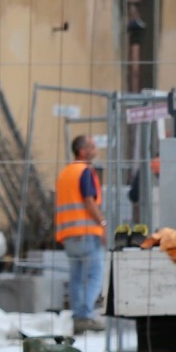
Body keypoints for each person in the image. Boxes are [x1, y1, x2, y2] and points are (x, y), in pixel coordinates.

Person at [56, 135, 107, 333]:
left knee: (76, 277)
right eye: (92, 146)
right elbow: (89, 201)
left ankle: (78, 316)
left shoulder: (65, 173)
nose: (96, 149)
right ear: (83, 151)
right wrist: (102, 223)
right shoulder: (84, 171)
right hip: (87, 232)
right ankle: (85, 316)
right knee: (95, 275)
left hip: (68, 234)